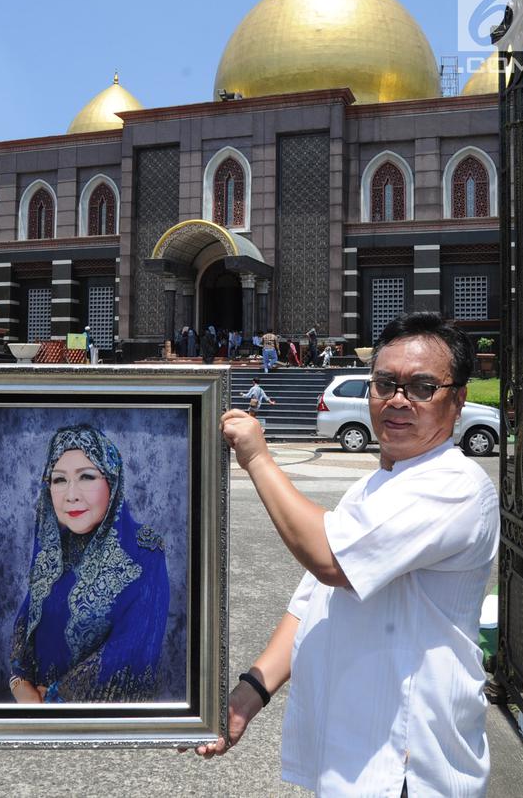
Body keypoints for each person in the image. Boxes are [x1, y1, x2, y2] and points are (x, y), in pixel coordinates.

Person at [205, 312, 500, 797]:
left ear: (459, 399)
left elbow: (330, 560)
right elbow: (309, 603)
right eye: (386, 383)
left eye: (422, 387)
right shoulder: (374, 485)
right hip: (349, 754)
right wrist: (249, 695)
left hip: (405, 764)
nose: (399, 399)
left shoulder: (456, 486)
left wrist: (258, 458)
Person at [9, 424, 169, 704]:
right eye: (59, 480)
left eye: (86, 477)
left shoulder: (144, 554)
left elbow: (129, 652)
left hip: (111, 727)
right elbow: (26, 626)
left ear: (112, 481)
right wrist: (21, 685)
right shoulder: (52, 550)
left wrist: (52, 701)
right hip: (36, 715)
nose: (71, 494)